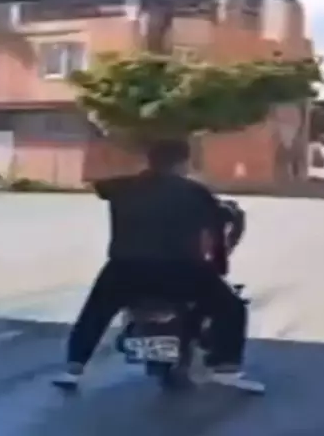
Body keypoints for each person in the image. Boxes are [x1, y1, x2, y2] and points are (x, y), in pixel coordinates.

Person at [51, 139, 256, 391]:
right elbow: (217, 229)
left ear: (150, 161)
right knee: (232, 307)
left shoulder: (122, 187)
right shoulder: (195, 193)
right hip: (181, 272)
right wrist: (218, 266)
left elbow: (99, 186)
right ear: (182, 163)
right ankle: (225, 366)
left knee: (95, 312)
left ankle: (74, 367)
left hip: (125, 270)